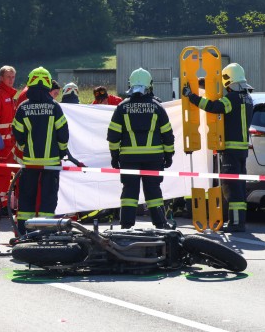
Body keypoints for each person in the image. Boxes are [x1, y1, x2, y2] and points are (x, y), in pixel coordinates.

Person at [182, 63, 253, 232]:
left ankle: (235, 224)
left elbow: (214, 107)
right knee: (240, 187)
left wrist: (191, 96)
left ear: (228, 81)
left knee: (231, 188)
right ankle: (240, 222)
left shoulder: (232, 99)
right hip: (243, 150)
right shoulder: (248, 98)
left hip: (229, 149)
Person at [107, 68, 175, 229]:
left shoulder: (122, 108)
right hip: (154, 158)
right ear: (150, 85)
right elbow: (168, 135)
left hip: (128, 159)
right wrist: (169, 155)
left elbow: (113, 135)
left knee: (129, 191)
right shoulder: (157, 107)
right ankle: (160, 223)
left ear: (130, 85)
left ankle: (126, 225)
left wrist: (114, 156)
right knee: (153, 191)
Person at [12, 67, 69, 235]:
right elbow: (63, 134)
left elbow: (17, 132)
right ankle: (47, 233)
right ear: (47, 84)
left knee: (27, 197)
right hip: (51, 162)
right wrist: (62, 152)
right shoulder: (54, 107)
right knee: (48, 198)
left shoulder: (23, 107)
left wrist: (25, 146)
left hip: (29, 161)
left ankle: (24, 232)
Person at [0, 66, 18, 199]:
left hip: (9, 141)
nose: (11, 80)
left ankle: (4, 201)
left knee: (9, 172)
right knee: (1, 172)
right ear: (1, 78)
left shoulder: (9, 94)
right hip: (2, 142)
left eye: (13, 77)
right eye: (8, 77)